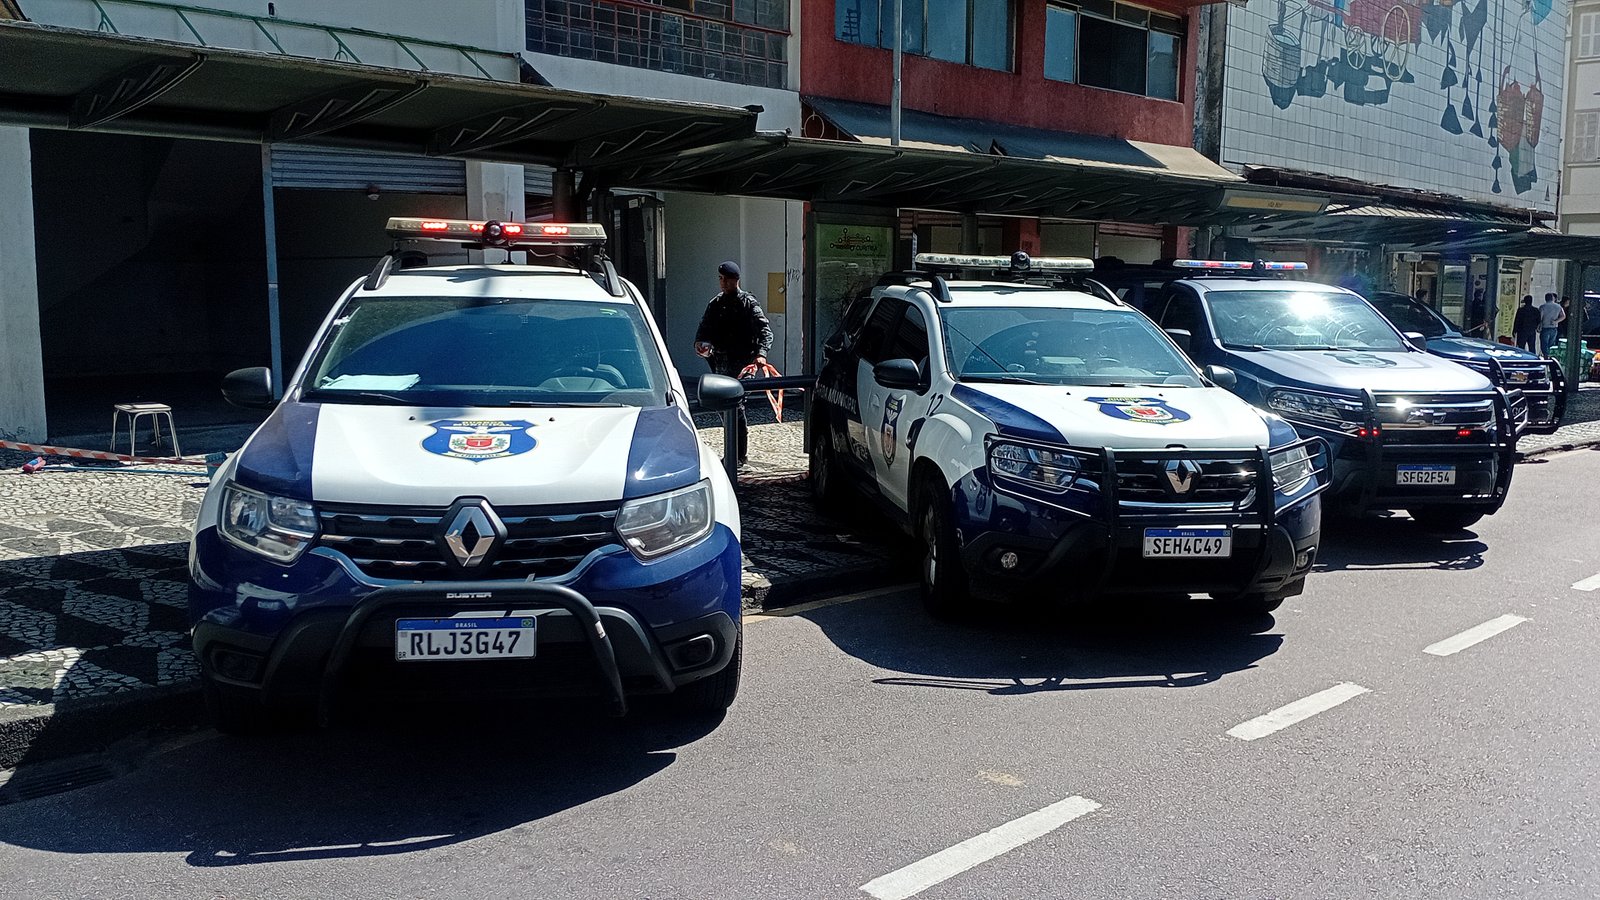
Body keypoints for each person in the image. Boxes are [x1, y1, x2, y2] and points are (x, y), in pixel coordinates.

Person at [695, 261, 773, 468]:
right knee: (724, 409)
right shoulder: (716, 303)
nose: (721, 283)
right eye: (719, 279)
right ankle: (733, 453)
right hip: (720, 363)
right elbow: (704, 329)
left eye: (725, 279)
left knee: (736, 407)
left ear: (735, 280)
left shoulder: (748, 303)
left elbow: (765, 330)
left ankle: (738, 455)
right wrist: (700, 344)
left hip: (743, 364)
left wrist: (761, 354)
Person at [1539, 291, 1566, 357]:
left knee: (1544, 344)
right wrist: (1556, 321)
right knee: (1551, 344)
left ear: (1545, 299)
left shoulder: (1543, 306)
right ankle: (1551, 356)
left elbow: (1540, 317)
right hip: (1554, 328)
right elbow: (1563, 316)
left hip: (1545, 327)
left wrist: (1539, 326)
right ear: (1553, 298)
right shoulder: (1558, 307)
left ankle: (1545, 357)